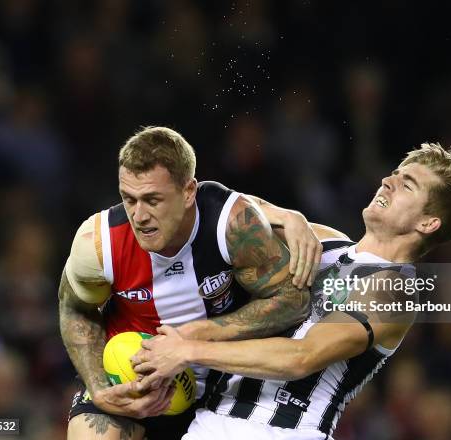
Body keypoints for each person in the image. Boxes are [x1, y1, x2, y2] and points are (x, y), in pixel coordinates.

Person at [131, 143, 451, 439]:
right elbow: (220, 210)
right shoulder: (326, 242)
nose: (388, 181)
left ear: (428, 223)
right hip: (210, 423)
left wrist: (188, 349)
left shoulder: (396, 291)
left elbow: (300, 357)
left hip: (285, 432)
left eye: (407, 185)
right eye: (394, 174)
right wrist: (287, 216)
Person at [59, 126, 327, 440]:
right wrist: (98, 387)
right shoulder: (97, 243)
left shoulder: (232, 226)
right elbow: (74, 309)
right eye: (128, 199)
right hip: (129, 379)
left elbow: (293, 300)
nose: (139, 215)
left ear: (188, 192)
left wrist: (194, 339)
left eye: (152, 200)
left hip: (223, 388)